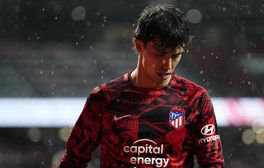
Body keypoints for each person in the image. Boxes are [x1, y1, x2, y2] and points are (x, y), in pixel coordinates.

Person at [60, 4, 224, 168]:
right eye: (159, 54)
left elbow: (212, 164)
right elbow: (72, 161)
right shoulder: (104, 98)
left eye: (175, 56)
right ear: (140, 46)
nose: (167, 64)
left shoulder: (195, 98)